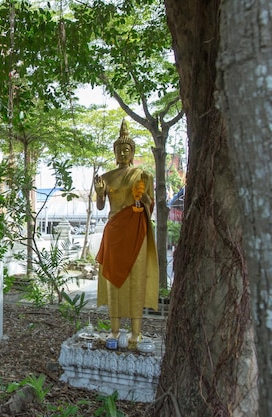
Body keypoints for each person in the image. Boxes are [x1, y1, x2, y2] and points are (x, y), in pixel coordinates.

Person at [94, 119, 159, 343]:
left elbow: (150, 204)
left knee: (136, 277)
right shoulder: (106, 177)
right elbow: (101, 207)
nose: (123, 152)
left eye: (126, 149)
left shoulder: (143, 176)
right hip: (114, 231)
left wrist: (144, 200)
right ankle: (114, 329)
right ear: (114, 152)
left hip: (136, 230)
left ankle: (136, 331)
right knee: (113, 280)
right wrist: (100, 194)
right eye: (119, 149)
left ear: (132, 152)